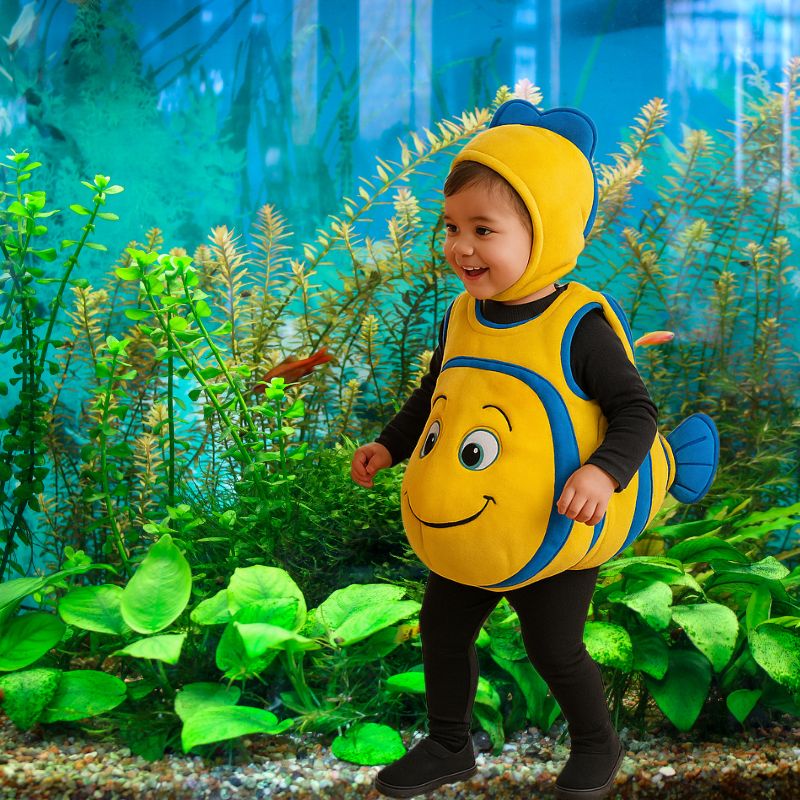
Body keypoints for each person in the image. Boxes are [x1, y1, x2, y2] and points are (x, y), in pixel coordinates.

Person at [349, 100, 718, 800]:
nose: (461, 247)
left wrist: (604, 474)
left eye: (483, 230)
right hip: (473, 526)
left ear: (543, 233)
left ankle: (596, 743)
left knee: (553, 647)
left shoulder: (578, 324)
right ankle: (450, 745)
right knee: (441, 631)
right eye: (452, 228)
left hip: (559, 527)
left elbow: (636, 410)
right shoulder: (464, 313)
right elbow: (436, 395)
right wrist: (390, 445)